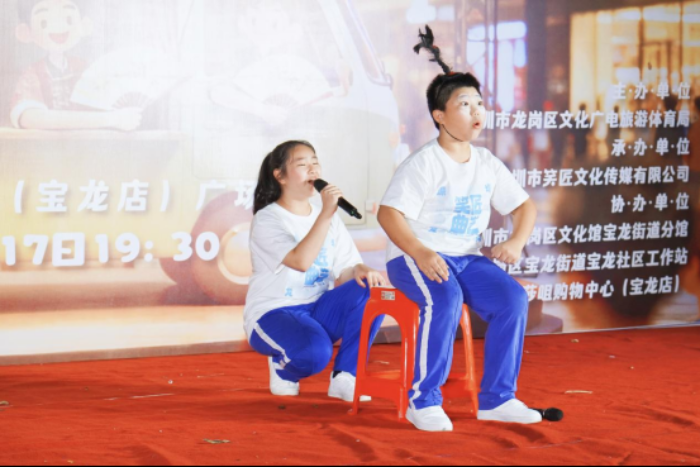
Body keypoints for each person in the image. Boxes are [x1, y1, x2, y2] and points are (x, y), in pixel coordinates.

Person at [377, 26, 541, 432]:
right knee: (445, 297)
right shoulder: (424, 163)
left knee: (512, 299)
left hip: (465, 257)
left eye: (479, 103)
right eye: (464, 104)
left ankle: (498, 399)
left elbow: (524, 206)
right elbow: (388, 214)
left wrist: (516, 241)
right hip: (415, 256)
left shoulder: (486, 162)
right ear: (440, 116)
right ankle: (423, 400)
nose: (476, 111)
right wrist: (421, 251)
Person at [244, 140, 385, 401]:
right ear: (280, 176)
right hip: (275, 312)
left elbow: (345, 271)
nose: (312, 170)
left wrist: (360, 270)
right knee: (314, 355)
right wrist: (327, 214)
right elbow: (301, 261)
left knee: (370, 289)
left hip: (318, 308)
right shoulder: (268, 219)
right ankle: (283, 368)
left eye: (315, 162)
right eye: (302, 164)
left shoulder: (327, 217)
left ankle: (345, 376)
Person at [11, 0, 141, 131]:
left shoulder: (86, 69)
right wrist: (112, 119)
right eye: (44, 22)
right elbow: (29, 118)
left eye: (68, 19)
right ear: (26, 32)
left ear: (84, 25)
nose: (59, 26)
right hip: (46, 142)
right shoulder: (33, 74)